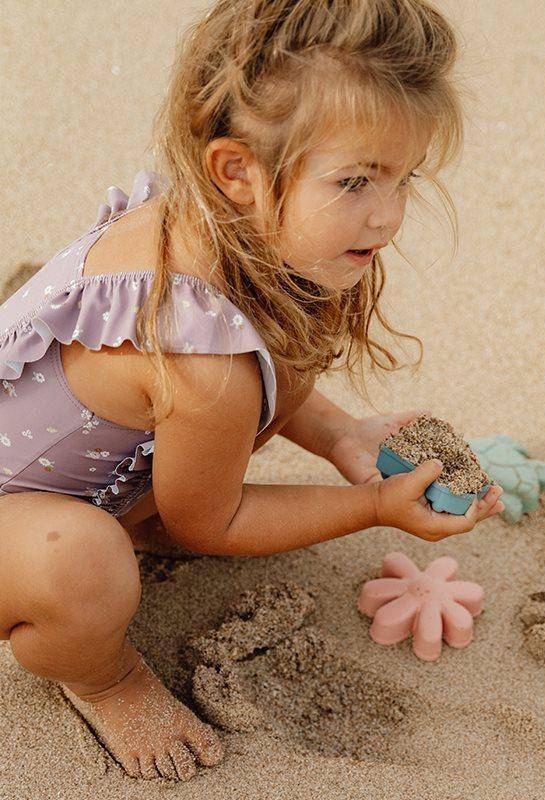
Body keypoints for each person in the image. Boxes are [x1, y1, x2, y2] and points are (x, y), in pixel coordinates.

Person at [0, 0, 505, 784]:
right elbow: (215, 520)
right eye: (355, 182)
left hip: (67, 473)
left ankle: (130, 516)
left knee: (276, 362)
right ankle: (100, 675)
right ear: (236, 170)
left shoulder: (225, 231)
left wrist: (343, 436)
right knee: (85, 567)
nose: (390, 214)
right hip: (15, 515)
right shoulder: (200, 362)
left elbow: (277, 380)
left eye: (403, 178)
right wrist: (372, 507)